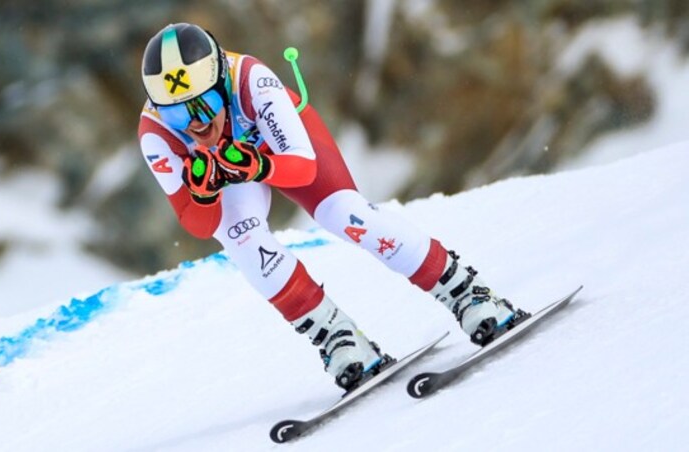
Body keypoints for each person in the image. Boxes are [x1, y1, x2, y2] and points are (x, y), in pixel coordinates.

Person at [137, 23, 528, 391]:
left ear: (221, 83)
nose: (194, 124)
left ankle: (468, 294)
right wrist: (204, 195)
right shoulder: (156, 133)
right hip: (240, 168)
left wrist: (259, 164)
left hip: (283, 150)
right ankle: (338, 338)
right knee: (243, 242)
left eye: (204, 104)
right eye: (175, 112)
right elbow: (198, 224)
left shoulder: (250, 80)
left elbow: (303, 166)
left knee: (346, 216)